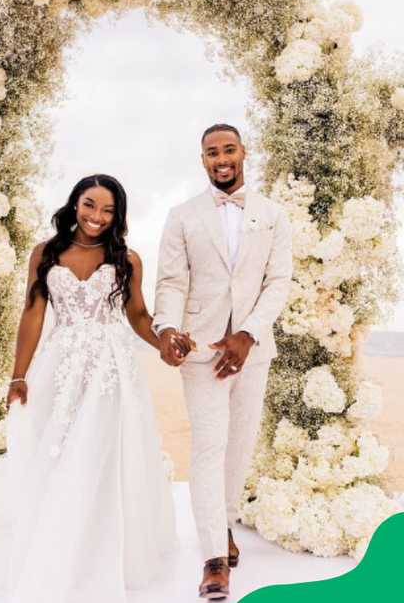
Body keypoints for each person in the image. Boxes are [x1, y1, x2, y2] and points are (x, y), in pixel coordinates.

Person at [3, 174, 178, 601]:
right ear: (74, 203)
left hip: (110, 365)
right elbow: (32, 314)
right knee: (60, 449)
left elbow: (138, 316)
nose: (96, 216)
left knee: (103, 449)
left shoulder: (128, 259)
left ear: (118, 215)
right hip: (60, 363)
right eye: (89, 205)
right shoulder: (45, 253)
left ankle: (105, 544)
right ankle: (62, 537)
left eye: (107, 209)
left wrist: (163, 343)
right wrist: (19, 374)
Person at [153, 123, 292, 599]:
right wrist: (167, 329)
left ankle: (224, 524)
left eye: (228, 149)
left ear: (243, 152)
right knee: (209, 448)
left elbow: (278, 282)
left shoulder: (274, 215)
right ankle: (214, 557)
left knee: (240, 446)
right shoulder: (182, 215)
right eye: (212, 152)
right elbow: (170, 281)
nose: (221, 159)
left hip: (252, 353)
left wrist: (248, 335)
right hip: (201, 352)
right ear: (203, 160)